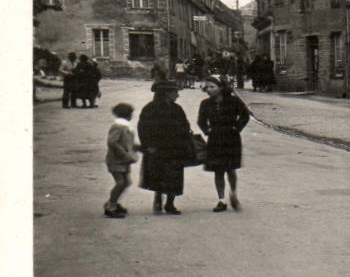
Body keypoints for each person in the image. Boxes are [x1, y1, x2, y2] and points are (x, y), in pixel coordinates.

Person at [138, 79, 195, 215]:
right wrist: (148, 145)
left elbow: (185, 126)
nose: (177, 95)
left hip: (175, 148)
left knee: (174, 176)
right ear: (165, 93)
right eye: (175, 92)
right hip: (158, 148)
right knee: (158, 174)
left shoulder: (177, 109)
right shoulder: (150, 109)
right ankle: (158, 199)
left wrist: (185, 137)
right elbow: (143, 129)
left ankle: (170, 203)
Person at [198, 77, 251, 212]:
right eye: (207, 87)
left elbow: (245, 115)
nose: (209, 90)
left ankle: (233, 194)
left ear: (220, 87)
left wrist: (237, 128)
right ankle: (221, 200)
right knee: (218, 170)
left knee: (230, 168)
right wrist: (207, 131)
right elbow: (201, 121)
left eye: (212, 87)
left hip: (231, 138)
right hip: (215, 138)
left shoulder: (233, 101)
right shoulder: (205, 104)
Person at [103, 102, 140, 218]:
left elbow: (128, 143)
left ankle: (112, 202)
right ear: (127, 115)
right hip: (116, 160)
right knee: (120, 183)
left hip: (123, 161)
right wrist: (125, 154)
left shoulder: (125, 127)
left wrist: (139, 148)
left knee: (126, 182)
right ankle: (111, 206)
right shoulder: (118, 127)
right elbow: (112, 142)